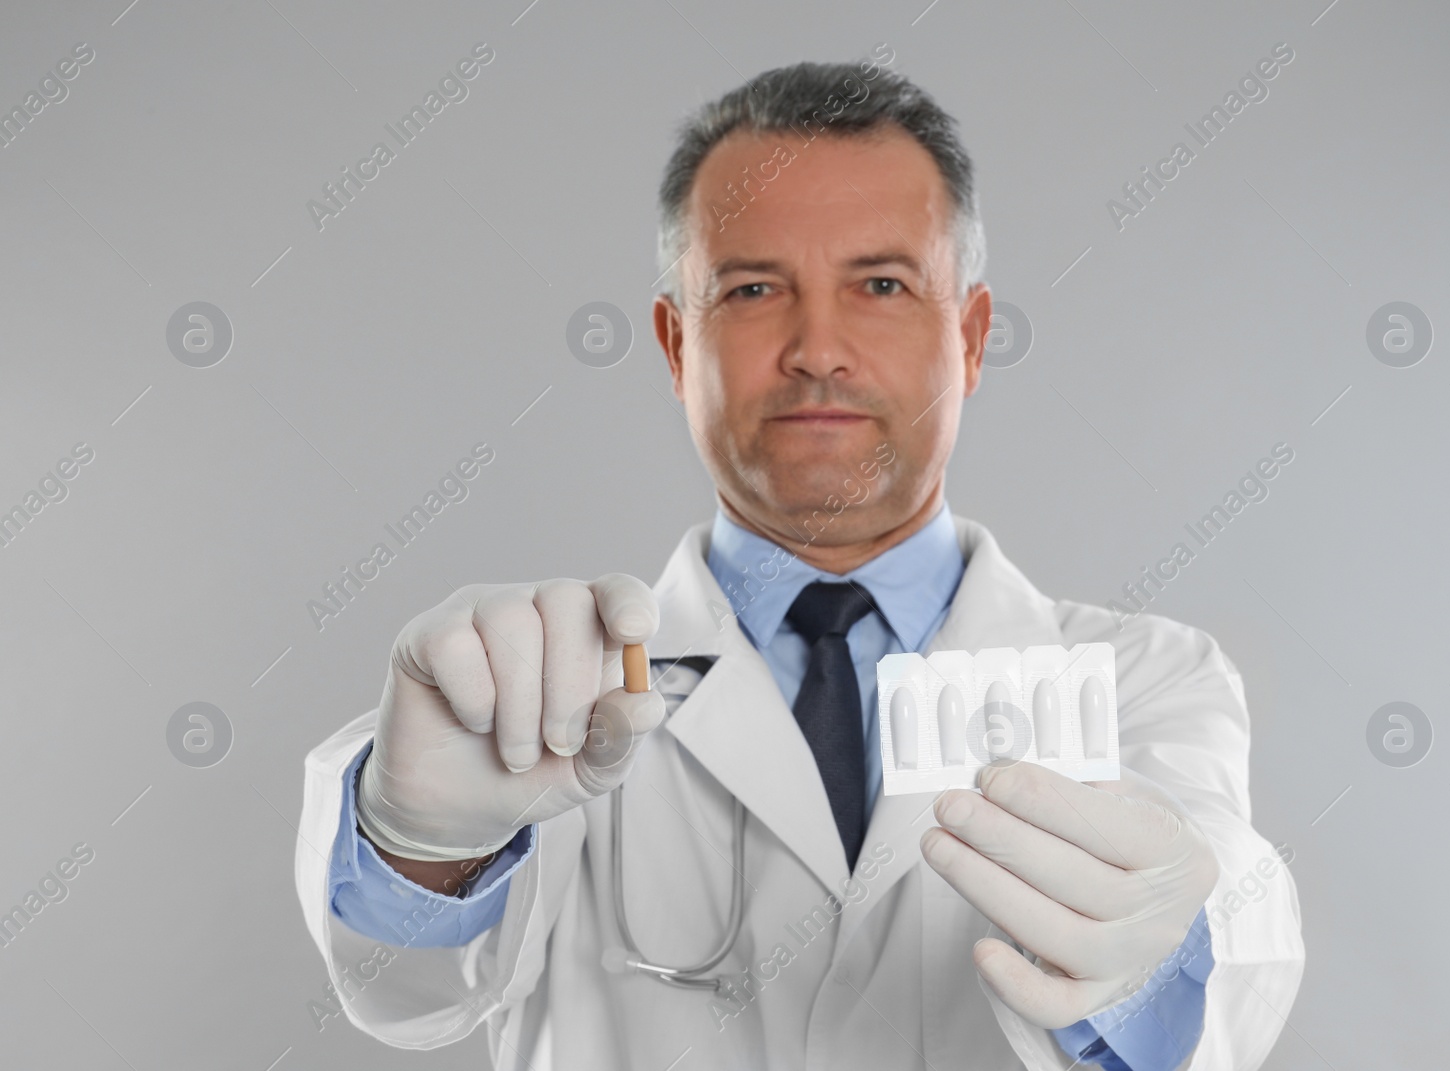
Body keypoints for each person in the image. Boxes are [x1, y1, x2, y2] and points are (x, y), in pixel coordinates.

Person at [293, 57, 1304, 1071]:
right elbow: (407, 995)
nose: (817, 348)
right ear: (676, 346)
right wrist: (421, 853)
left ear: (970, 337)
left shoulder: (1143, 682)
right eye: (753, 288)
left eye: (879, 284)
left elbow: (1217, 1014)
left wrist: (1148, 966)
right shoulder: (550, 688)